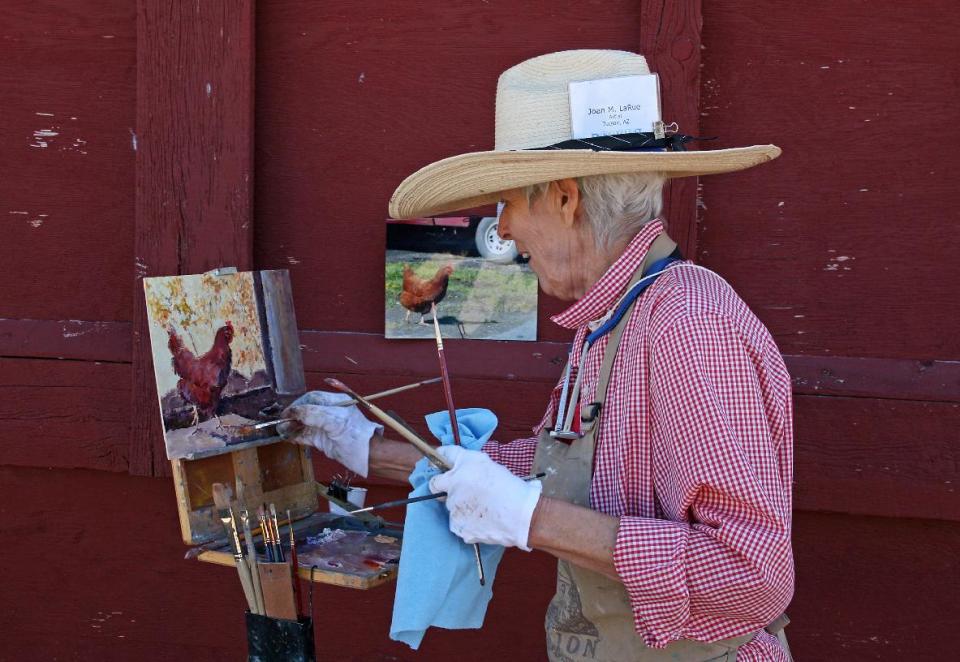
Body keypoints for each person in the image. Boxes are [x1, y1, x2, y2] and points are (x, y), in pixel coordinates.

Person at [284, 50, 794, 661]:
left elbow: (750, 575)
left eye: (507, 202)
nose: (503, 228)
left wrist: (530, 518)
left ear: (562, 198)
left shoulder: (688, 324)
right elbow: (564, 466)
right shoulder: (611, 319)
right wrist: (370, 449)